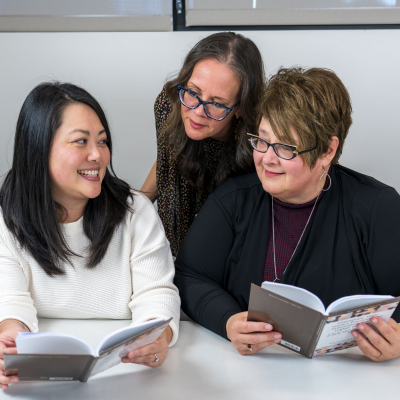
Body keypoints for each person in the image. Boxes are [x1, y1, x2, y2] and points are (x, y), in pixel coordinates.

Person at [174, 67, 400, 362]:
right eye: (262, 141)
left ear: (327, 151)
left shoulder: (377, 207)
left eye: (284, 148)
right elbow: (191, 276)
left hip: (350, 379)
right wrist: (229, 321)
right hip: (247, 375)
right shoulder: (232, 200)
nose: (267, 158)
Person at [0, 83, 180, 389]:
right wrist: (10, 341)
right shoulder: (7, 218)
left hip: (128, 375)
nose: (97, 155)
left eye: (102, 141)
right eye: (80, 141)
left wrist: (156, 337)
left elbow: (157, 294)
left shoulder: (135, 212)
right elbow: (10, 302)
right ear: (38, 147)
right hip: (43, 381)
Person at [140, 32, 266, 256]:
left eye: (217, 103)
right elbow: (168, 160)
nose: (198, 112)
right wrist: (138, 205)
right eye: (193, 92)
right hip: (174, 233)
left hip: (230, 244)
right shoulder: (169, 104)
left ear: (239, 108)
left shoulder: (259, 137)